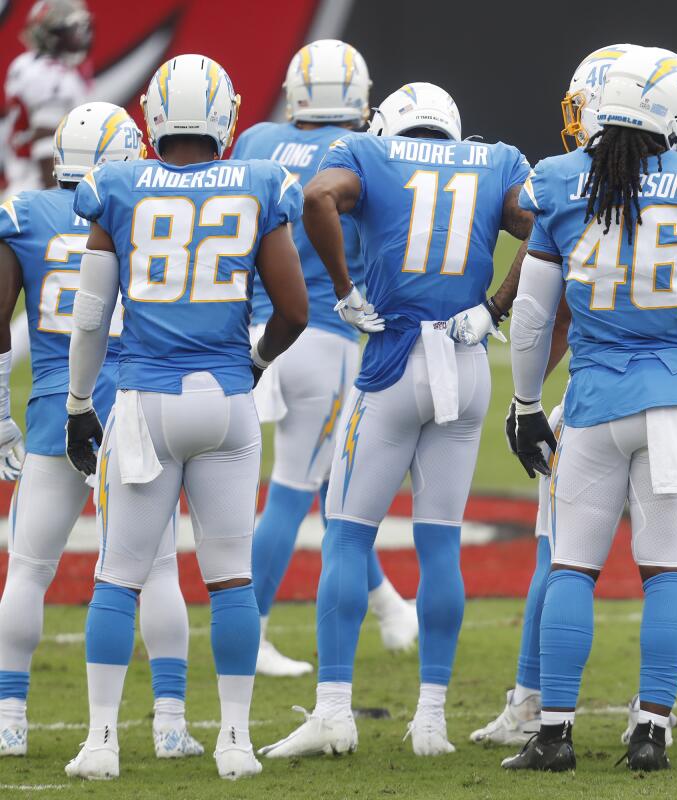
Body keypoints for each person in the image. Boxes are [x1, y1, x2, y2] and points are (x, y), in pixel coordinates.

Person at [470, 41, 677, 750]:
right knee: (665, 570)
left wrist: (527, 404)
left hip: (592, 405)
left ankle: (554, 733)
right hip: (673, 401)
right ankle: (651, 729)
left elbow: (532, 317)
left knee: (571, 565)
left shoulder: (562, 182)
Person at [260, 81, 533, 760]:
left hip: (390, 360)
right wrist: (496, 304)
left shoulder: (369, 154)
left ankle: (333, 713)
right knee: (439, 545)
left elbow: (316, 197)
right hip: (465, 365)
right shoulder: (495, 159)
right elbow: (557, 223)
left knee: (348, 537)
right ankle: (432, 722)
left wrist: (346, 291)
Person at [63, 54, 309, 780]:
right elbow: (294, 310)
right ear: (227, 117)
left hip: (144, 402)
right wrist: (255, 364)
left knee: (119, 577)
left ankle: (100, 743)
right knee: (231, 578)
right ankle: (234, 740)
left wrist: (80, 403)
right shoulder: (260, 183)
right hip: (228, 403)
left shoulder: (116, 185)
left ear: (154, 117)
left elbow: (88, 319)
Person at [0, 102, 201, 760]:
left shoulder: (24, 215)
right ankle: (169, 723)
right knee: (159, 566)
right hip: (134, 408)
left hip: (56, 408)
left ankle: (9, 717)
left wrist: (2, 411)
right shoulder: (140, 206)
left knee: (27, 570)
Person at [232, 39, 417, 679]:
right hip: (320, 333)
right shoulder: (364, 152)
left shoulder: (255, 140)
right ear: (361, 99)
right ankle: (247, 632)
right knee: (295, 488)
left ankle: (389, 601)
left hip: (250, 329)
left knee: (320, 481)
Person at [3, 0, 94, 367]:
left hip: (16, 188)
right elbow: (45, 145)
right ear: (51, 33)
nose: (80, 34)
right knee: (52, 294)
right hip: (36, 192)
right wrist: (59, 200)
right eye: (71, 27)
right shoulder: (53, 77)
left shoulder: (24, 65)